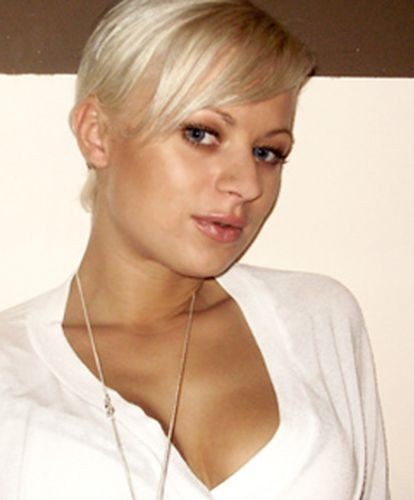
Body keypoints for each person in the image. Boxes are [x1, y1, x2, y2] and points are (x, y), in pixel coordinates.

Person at [0, 0, 389, 499]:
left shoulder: (316, 319)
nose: (247, 184)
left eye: (267, 152)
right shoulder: (12, 374)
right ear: (97, 134)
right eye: (201, 134)